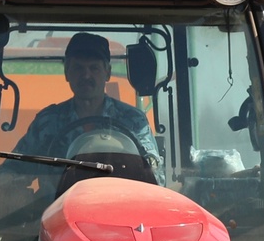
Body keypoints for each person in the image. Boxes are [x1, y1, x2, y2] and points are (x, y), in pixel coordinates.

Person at [13, 32, 165, 181]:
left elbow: (155, 177)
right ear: (67, 72)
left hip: (119, 204)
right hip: (59, 203)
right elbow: (11, 170)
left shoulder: (133, 121)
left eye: (94, 68)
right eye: (78, 68)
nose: (86, 76)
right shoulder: (47, 122)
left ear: (107, 73)